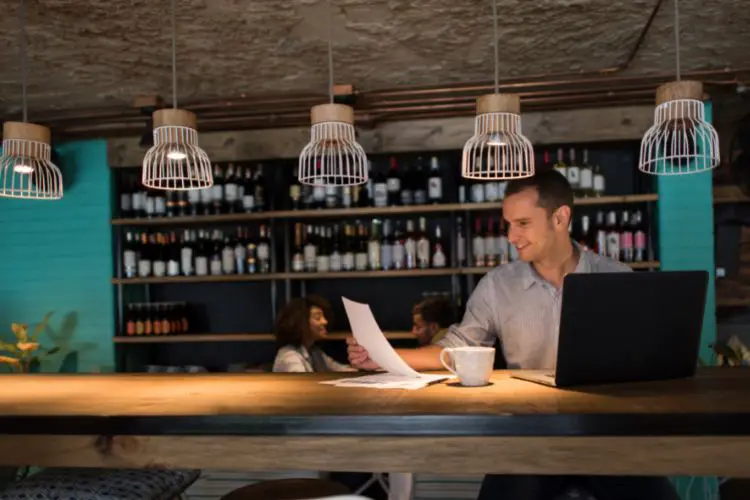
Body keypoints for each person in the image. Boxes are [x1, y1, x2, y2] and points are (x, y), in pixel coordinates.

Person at [347, 170, 680, 500]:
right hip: (531, 440)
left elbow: (646, 359)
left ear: (560, 217)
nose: (510, 235)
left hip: (607, 438)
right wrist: (383, 355)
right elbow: (457, 348)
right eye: (508, 224)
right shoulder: (498, 284)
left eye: (522, 223)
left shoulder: (618, 278)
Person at [273, 295, 354, 373]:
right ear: (301, 322)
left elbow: (340, 370)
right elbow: (303, 384)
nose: (325, 322)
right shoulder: (289, 356)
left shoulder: (315, 352)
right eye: (317, 318)